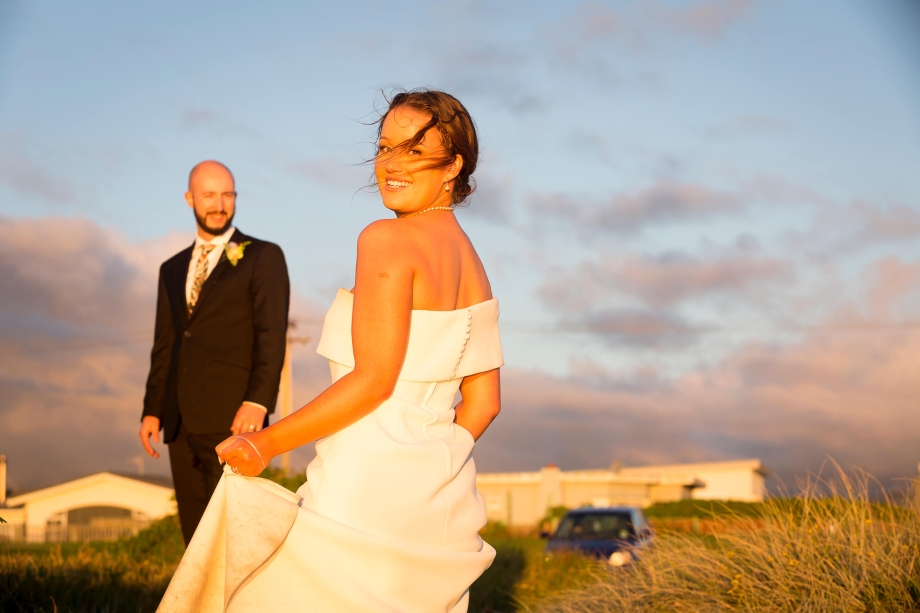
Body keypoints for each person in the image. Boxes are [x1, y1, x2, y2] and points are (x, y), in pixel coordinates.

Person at [157, 90, 503, 613]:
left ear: (453, 165)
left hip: (363, 481)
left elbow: (374, 380)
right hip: (441, 493)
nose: (390, 164)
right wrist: (428, 456)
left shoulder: (386, 239)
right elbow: (485, 404)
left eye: (413, 150)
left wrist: (266, 444)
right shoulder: (474, 266)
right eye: (385, 148)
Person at [139, 160, 290, 545]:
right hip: (178, 422)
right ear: (190, 198)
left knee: (234, 534)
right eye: (209, 195)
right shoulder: (170, 269)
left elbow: (271, 336)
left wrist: (257, 402)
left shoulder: (263, 256)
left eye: (227, 194)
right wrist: (153, 409)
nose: (219, 204)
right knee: (195, 536)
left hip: (234, 419)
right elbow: (166, 344)